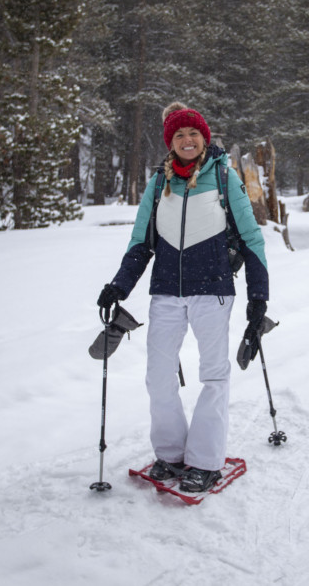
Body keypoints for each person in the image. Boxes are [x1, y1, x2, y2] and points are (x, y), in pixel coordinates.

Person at [97, 102, 269, 492]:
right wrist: (118, 286)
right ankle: (171, 454)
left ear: (204, 138)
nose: (187, 140)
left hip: (213, 293)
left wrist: (258, 298)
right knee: (158, 377)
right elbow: (141, 243)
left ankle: (206, 462)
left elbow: (252, 238)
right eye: (179, 135)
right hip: (166, 295)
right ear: (170, 142)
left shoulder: (225, 178)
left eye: (193, 133)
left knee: (213, 375)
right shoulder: (159, 184)